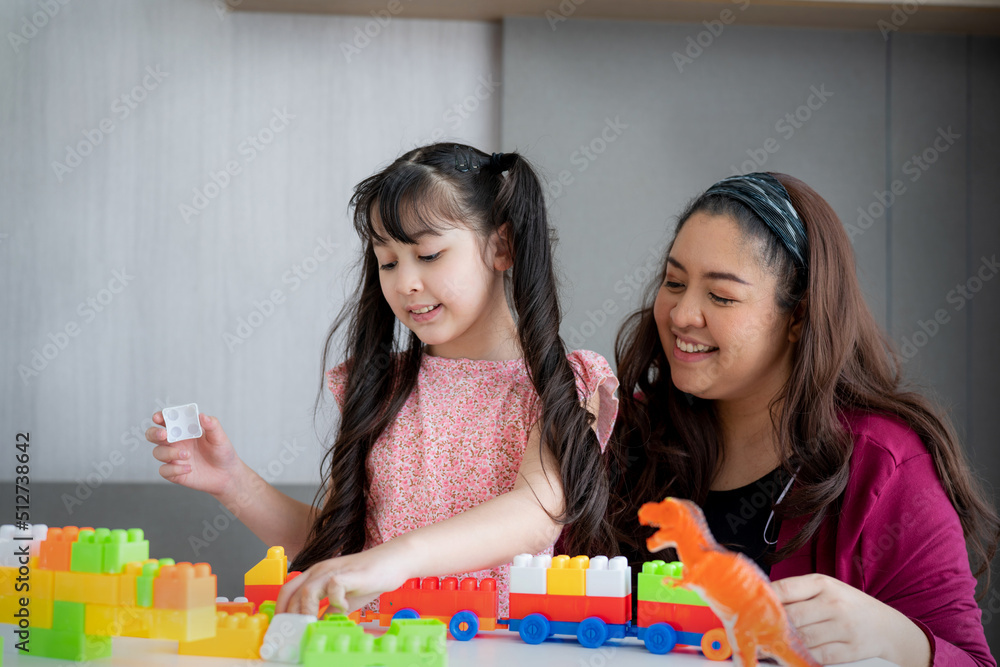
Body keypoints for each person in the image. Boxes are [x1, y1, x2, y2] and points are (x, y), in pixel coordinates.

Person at [147, 143, 618, 618]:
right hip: (377, 646)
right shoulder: (380, 387)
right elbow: (337, 545)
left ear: (501, 246)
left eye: (428, 255)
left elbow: (535, 515)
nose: (404, 282)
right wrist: (232, 482)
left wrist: (396, 561)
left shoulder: (565, 385)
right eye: (388, 262)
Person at [610, 172, 998, 666]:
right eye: (674, 282)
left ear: (797, 317)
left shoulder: (886, 465)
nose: (682, 314)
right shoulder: (626, 433)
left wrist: (902, 642)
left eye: (721, 296)